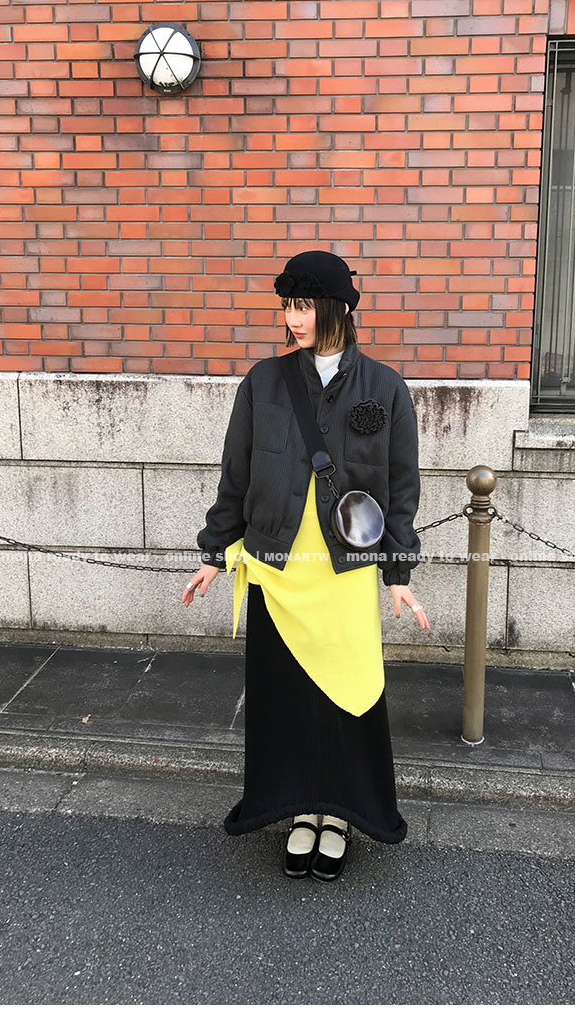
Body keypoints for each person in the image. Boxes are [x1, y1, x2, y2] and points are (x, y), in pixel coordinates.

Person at [182, 250, 429, 883]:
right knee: (287, 698)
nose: (292, 319)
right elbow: (237, 474)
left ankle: (338, 814)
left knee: (344, 698)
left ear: (336, 308)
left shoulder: (385, 388)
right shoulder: (262, 382)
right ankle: (298, 809)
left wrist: (398, 573)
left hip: (343, 573)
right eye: (287, 306)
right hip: (277, 570)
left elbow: (400, 488)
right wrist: (215, 552)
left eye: (304, 306)